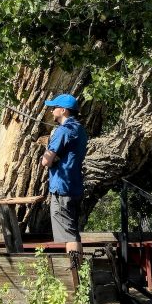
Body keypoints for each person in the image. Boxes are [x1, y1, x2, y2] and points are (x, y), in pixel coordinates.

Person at [40, 93, 88, 254]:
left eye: (54, 108)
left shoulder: (63, 131)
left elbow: (45, 161)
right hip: (75, 185)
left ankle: (76, 275)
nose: (52, 111)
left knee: (69, 236)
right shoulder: (80, 129)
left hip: (62, 187)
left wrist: (48, 146)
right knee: (73, 232)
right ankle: (80, 272)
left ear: (64, 110)